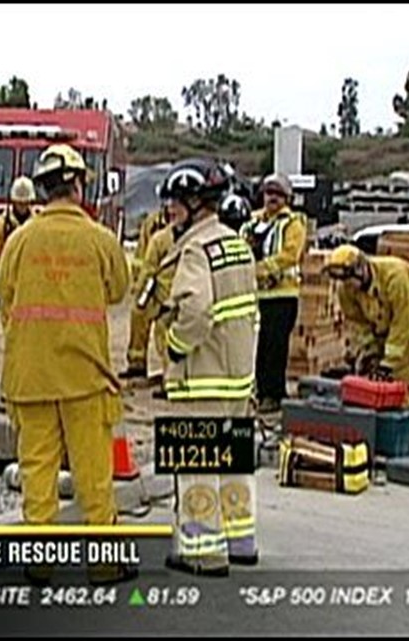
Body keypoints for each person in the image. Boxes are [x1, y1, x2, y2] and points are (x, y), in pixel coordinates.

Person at [0, 144, 133, 585]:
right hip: (85, 376)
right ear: (75, 185)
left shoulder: (18, 240)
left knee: (38, 473)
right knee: (94, 475)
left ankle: (39, 562)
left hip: (30, 378)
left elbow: (3, 292)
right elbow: (117, 292)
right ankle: (104, 563)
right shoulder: (99, 239)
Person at [157, 158, 259, 577]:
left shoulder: (197, 249)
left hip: (203, 378)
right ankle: (241, 543)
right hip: (237, 379)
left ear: (197, 202)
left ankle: (202, 553)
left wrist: (175, 347)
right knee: (233, 462)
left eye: (176, 204)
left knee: (196, 464)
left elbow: (196, 312)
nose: (169, 212)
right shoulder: (235, 242)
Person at [324, 245, 409, 406]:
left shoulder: (395, 277)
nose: (347, 285)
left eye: (348, 279)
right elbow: (358, 325)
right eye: (342, 280)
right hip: (380, 325)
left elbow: (403, 323)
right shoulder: (346, 289)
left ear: (361, 269)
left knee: (405, 375)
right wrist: (368, 352)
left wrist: (389, 363)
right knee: (373, 375)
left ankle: (404, 412)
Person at [239, 173, 307, 413]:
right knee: (261, 345)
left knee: (275, 347)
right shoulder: (252, 222)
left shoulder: (292, 223)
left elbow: (289, 254)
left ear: (287, 198)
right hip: (259, 295)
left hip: (284, 294)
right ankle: (261, 390)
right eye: (269, 193)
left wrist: (260, 269)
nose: (272, 198)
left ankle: (274, 395)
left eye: (278, 194)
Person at [125, 198, 185, 388]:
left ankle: (171, 380)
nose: (171, 208)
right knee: (138, 315)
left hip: (174, 293)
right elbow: (142, 261)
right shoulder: (152, 226)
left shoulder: (182, 232)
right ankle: (137, 362)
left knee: (164, 334)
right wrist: (138, 288)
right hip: (154, 288)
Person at [0, 176, 38, 292]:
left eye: (25, 203)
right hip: (7, 275)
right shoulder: (2, 223)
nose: (23, 207)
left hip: (29, 276)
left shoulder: (36, 223)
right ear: (14, 201)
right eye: (20, 203)